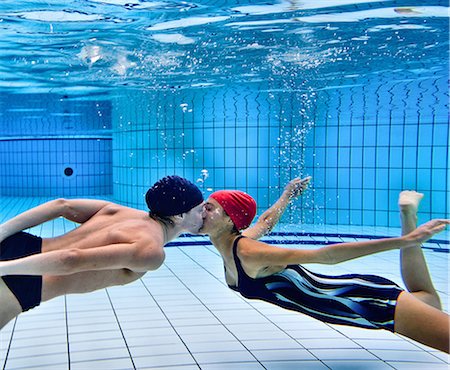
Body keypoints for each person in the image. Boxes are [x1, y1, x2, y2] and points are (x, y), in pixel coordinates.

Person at [200, 177, 450, 353]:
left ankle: (409, 229)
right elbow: (265, 223)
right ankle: (408, 216)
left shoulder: (247, 251)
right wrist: (287, 195)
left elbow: (325, 256)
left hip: (363, 300)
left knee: (432, 307)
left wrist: (403, 241)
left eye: (209, 208)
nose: (201, 212)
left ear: (229, 219)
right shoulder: (236, 245)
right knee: (429, 300)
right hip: (354, 306)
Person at [0, 175, 205, 330]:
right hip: (27, 282)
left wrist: (3, 232)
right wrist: (5, 268)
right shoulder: (151, 250)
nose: (204, 214)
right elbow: (70, 259)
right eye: (199, 210)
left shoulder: (120, 211)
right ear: (179, 216)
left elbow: (61, 205)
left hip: (17, 244)